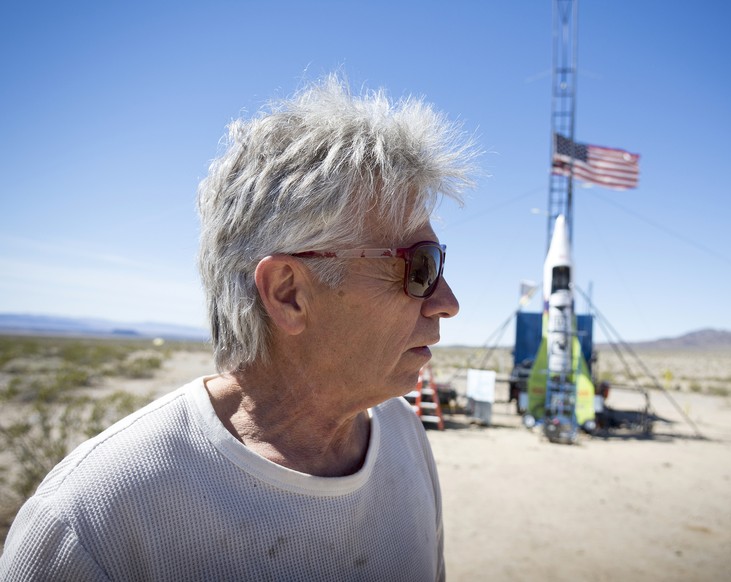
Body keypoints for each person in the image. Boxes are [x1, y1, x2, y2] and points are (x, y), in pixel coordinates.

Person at [0, 75, 478, 580]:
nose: (447, 303)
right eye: (419, 267)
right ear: (289, 293)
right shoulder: (95, 520)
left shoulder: (405, 436)